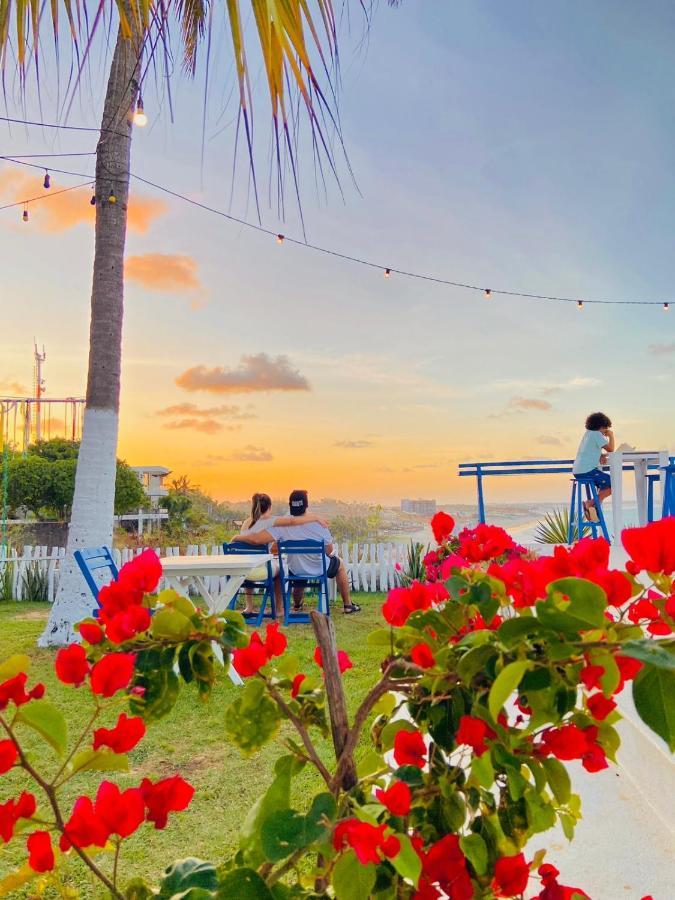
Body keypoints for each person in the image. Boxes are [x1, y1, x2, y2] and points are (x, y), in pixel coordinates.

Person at [238, 489, 361, 614]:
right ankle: (348, 605)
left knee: (297, 575)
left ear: (290, 505)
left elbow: (265, 542)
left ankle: (297, 605)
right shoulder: (319, 525)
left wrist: (238, 537)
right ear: (306, 505)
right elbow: (329, 551)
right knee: (339, 565)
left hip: (296, 569)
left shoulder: (281, 525)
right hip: (319, 567)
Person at [237, 493, 329, 617]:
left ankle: (249, 607)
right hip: (262, 570)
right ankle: (279, 609)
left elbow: (249, 547)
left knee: (252, 561)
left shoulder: (246, 523)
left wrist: (236, 537)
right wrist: (315, 518)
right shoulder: (270, 522)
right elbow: (292, 521)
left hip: (245, 570)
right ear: (269, 507)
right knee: (279, 570)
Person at [572, 412, 615, 522]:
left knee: (605, 485)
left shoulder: (588, 434)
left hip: (578, 471)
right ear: (601, 426)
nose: (605, 432)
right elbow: (611, 449)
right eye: (605, 429)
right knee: (614, 483)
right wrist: (611, 435)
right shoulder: (597, 434)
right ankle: (591, 504)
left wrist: (600, 454)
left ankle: (594, 509)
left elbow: (588, 450)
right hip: (587, 471)